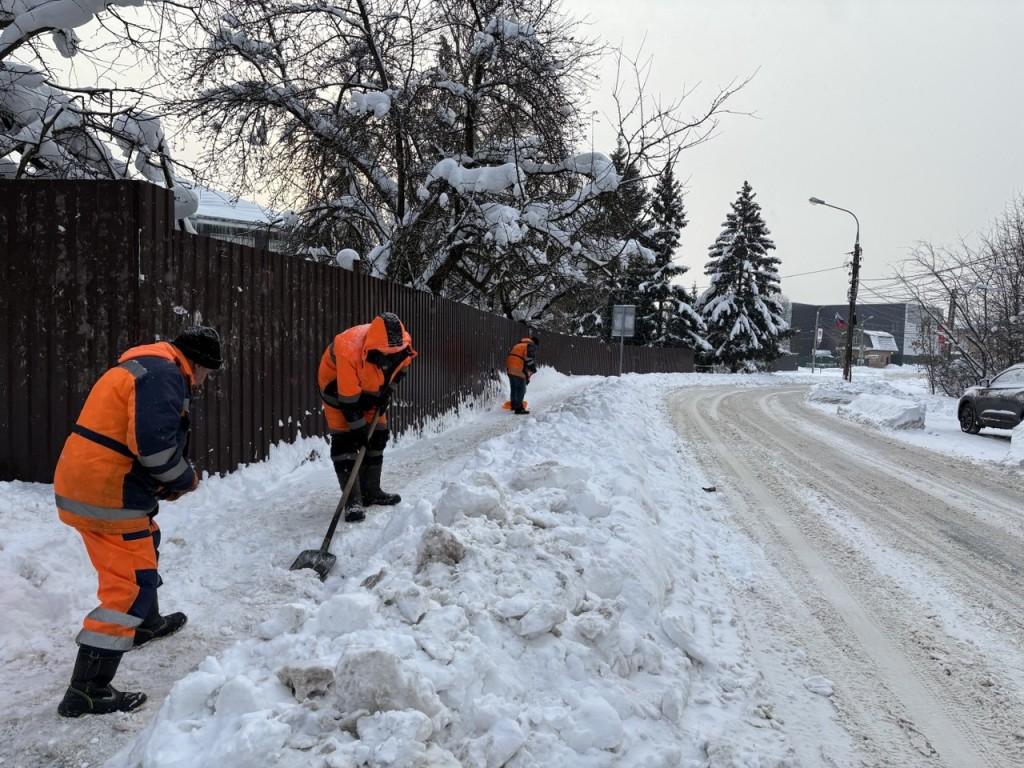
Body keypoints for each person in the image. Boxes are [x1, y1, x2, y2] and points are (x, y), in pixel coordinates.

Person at [53, 325, 223, 717]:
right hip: (106, 492)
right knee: (129, 586)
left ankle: (147, 623)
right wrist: (184, 479)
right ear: (198, 364)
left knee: (147, 539)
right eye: (207, 374)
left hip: (93, 480)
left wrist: (159, 483)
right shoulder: (165, 375)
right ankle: (87, 690)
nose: (203, 381)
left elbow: (131, 436)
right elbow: (155, 448)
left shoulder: (147, 365)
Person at [318, 312, 417, 523]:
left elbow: (401, 370)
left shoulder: (403, 345)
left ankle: (371, 492)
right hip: (337, 391)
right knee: (345, 442)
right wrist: (358, 429)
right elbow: (348, 401)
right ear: (374, 346)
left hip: (371, 390)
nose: (390, 355)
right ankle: (352, 502)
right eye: (386, 352)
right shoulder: (348, 349)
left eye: (394, 352)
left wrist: (387, 393)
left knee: (378, 436)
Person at [506, 333, 539, 414]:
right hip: (517, 367)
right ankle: (519, 408)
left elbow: (520, 359)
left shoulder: (519, 345)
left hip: (509, 367)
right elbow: (528, 358)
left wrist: (526, 376)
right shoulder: (530, 345)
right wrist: (532, 368)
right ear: (535, 343)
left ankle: (514, 405)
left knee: (514, 387)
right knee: (521, 389)